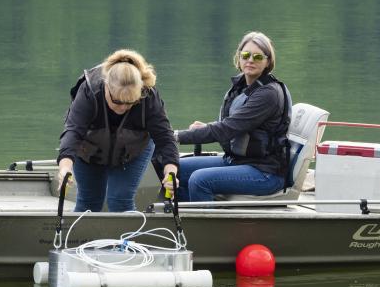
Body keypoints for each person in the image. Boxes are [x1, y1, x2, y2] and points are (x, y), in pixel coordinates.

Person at [57, 49, 179, 212]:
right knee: (88, 202)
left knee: (120, 200)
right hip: (89, 149)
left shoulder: (148, 96)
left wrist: (171, 173)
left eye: (130, 103)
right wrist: (65, 168)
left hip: (133, 150)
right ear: (106, 86)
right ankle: (83, 238)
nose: (123, 108)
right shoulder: (90, 91)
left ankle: (129, 238)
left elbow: (165, 138)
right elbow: (73, 132)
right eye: (117, 101)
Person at [175, 31, 291, 202]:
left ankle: (205, 226)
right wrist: (206, 127)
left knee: (199, 180)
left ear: (267, 61)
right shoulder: (242, 86)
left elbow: (228, 129)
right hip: (237, 161)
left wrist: (176, 136)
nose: (250, 60)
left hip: (265, 172)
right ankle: (187, 219)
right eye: (245, 55)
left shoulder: (268, 94)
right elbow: (237, 124)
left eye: (258, 57)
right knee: (171, 168)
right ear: (239, 57)